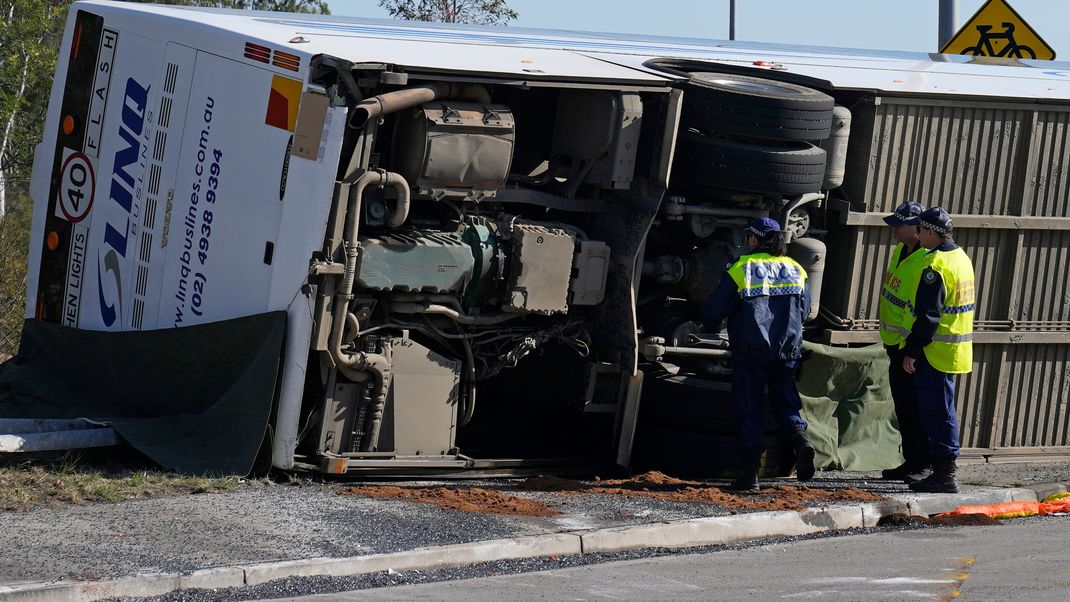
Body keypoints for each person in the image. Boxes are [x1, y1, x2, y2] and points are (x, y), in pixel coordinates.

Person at [702, 217, 814, 491]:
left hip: (752, 353)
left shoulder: (743, 268)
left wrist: (708, 324)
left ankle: (749, 475)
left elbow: (716, 308)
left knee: (750, 410)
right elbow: (806, 310)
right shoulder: (796, 269)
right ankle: (801, 441)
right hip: (788, 351)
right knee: (786, 405)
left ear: (754, 239)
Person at [901, 207, 975, 494]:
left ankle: (945, 473)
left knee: (938, 411)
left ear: (932, 232)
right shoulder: (961, 258)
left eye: (921, 230)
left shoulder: (937, 266)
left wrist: (912, 350)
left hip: (936, 351)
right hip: (953, 348)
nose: (918, 235)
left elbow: (929, 315)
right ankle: (942, 470)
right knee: (942, 409)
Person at [877, 201, 932, 484]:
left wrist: (913, 348)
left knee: (918, 407)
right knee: (904, 408)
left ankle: (924, 463)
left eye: (900, 225)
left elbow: (926, 311)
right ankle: (911, 460)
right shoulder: (901, 250)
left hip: (912, 347)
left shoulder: (926, 260)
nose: (894, 229)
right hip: (894, 343)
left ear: (918, 229)